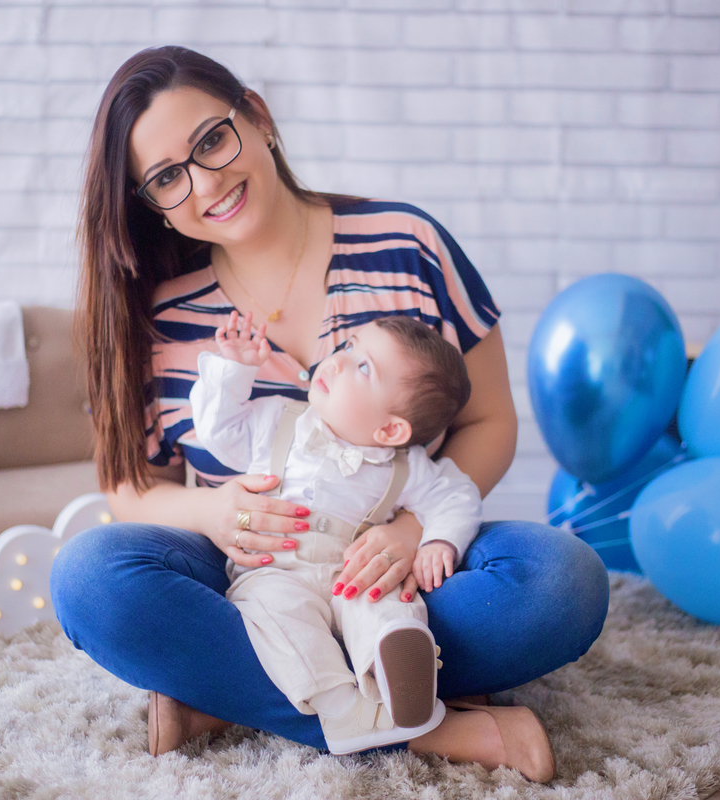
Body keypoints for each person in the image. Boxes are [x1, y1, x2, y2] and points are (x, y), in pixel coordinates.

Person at [51, 44, 609, 785]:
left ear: (257, 117)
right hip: (252, 576)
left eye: (211, 141)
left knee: (563, 581)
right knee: (90, 579)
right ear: (149, 202)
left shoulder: (407, 245)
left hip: (399, 576)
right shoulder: (162, 316)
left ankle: (228, 697)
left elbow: (490, 421)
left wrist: (411, 530)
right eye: (166, 178)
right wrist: (213, 512)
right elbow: (131, 488)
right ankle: (430, 726)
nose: (205, 182)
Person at [193, 310, 482, 754]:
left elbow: (457, 495)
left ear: (391, 429)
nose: (338, 360)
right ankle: (343, 708)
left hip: (351, 573)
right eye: (348, 346)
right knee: (275, 615)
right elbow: (219, 430)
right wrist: (234, 369)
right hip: (273, 569)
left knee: (384, 601)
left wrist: (438, 540)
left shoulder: (405, 466)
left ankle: (398, 669)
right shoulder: (278, 419)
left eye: (363, 367)